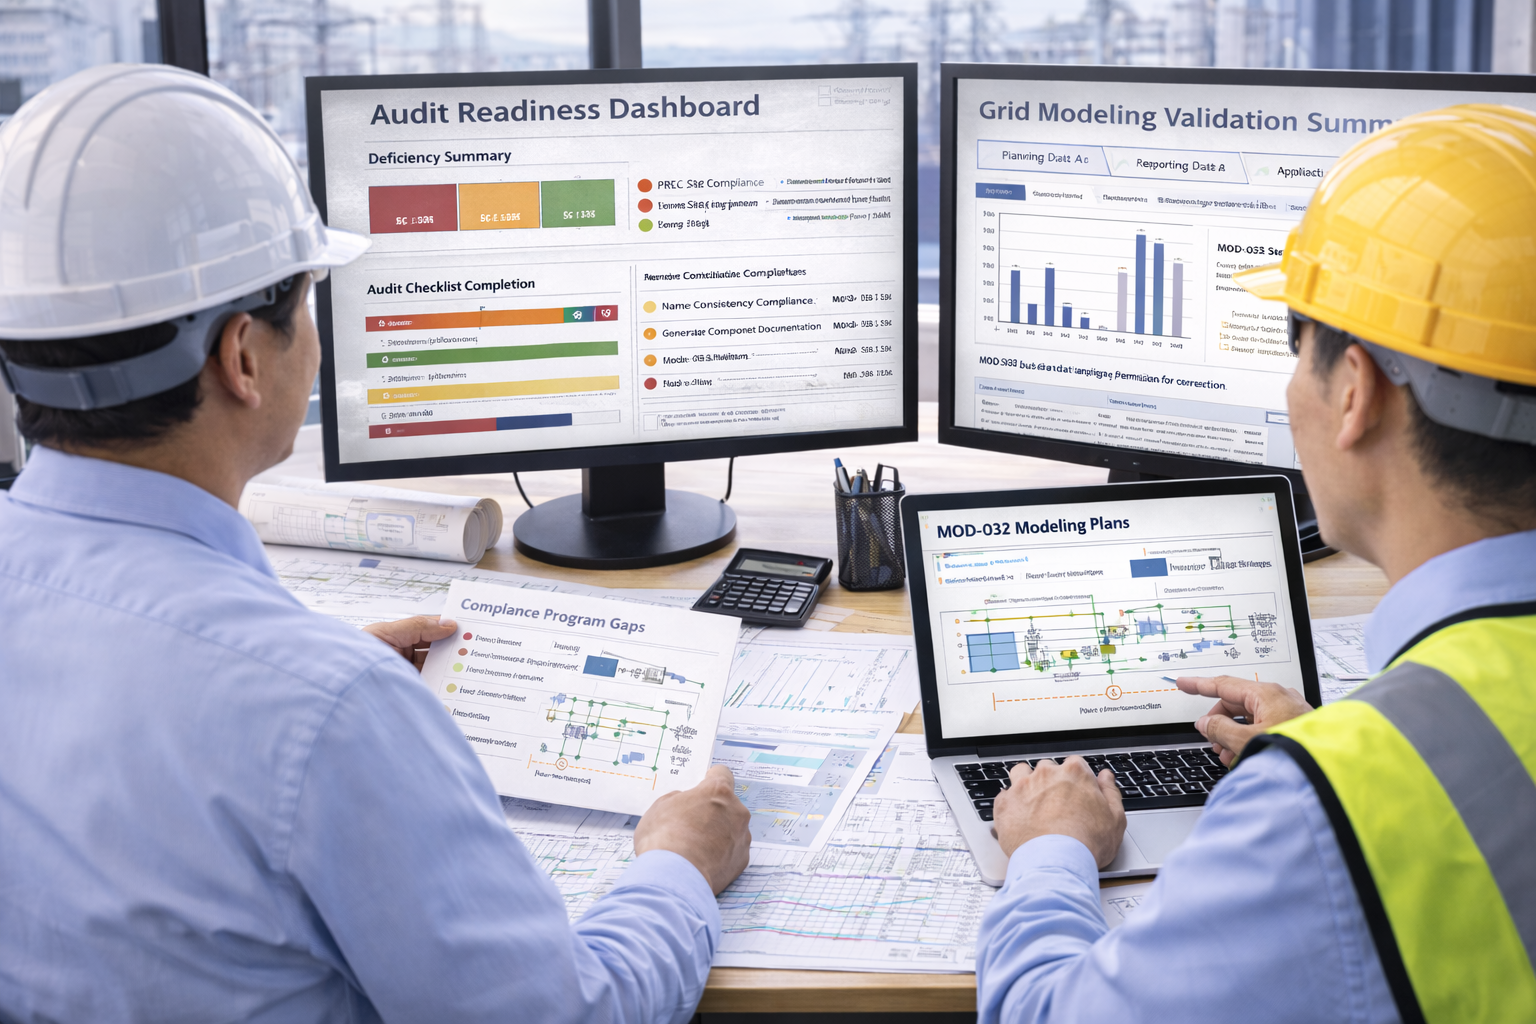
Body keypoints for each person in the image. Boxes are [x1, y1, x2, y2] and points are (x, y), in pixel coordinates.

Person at [0, 65, 750, 1022]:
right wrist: (680, 862)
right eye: (310, 298)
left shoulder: (301, 695)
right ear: (242, 357)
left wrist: (297, 690)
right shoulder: (326, 709)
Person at [976, 104, 1536, 1024]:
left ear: (1354, 392)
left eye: (1295, 347)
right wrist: (1355, 744)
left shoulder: (1321, 813)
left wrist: (1051, 848)